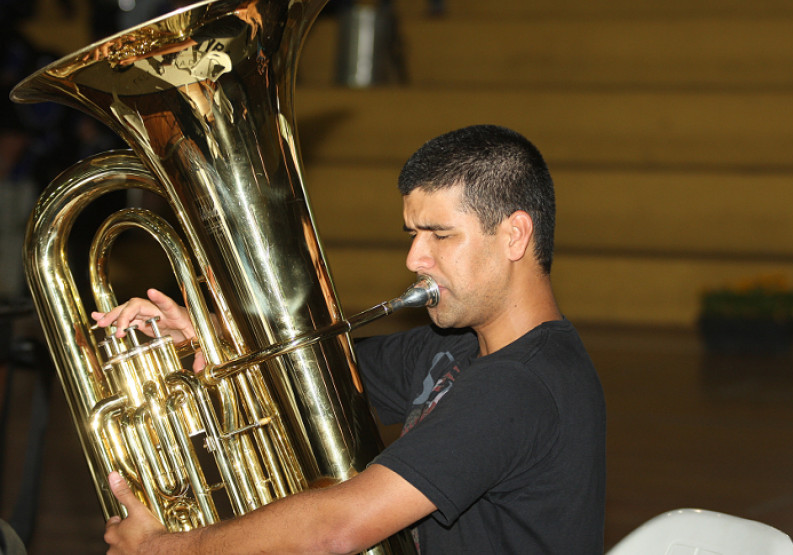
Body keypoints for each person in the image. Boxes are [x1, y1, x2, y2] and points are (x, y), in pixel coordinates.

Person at [95, 124, 606, 554]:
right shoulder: (456, 347)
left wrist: (161, 546)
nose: (415, 260)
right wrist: (212, 337)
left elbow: (337, 528)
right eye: (413, 236)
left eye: (440, 234)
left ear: (515, 235)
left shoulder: (521, 385)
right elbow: (311, 375)